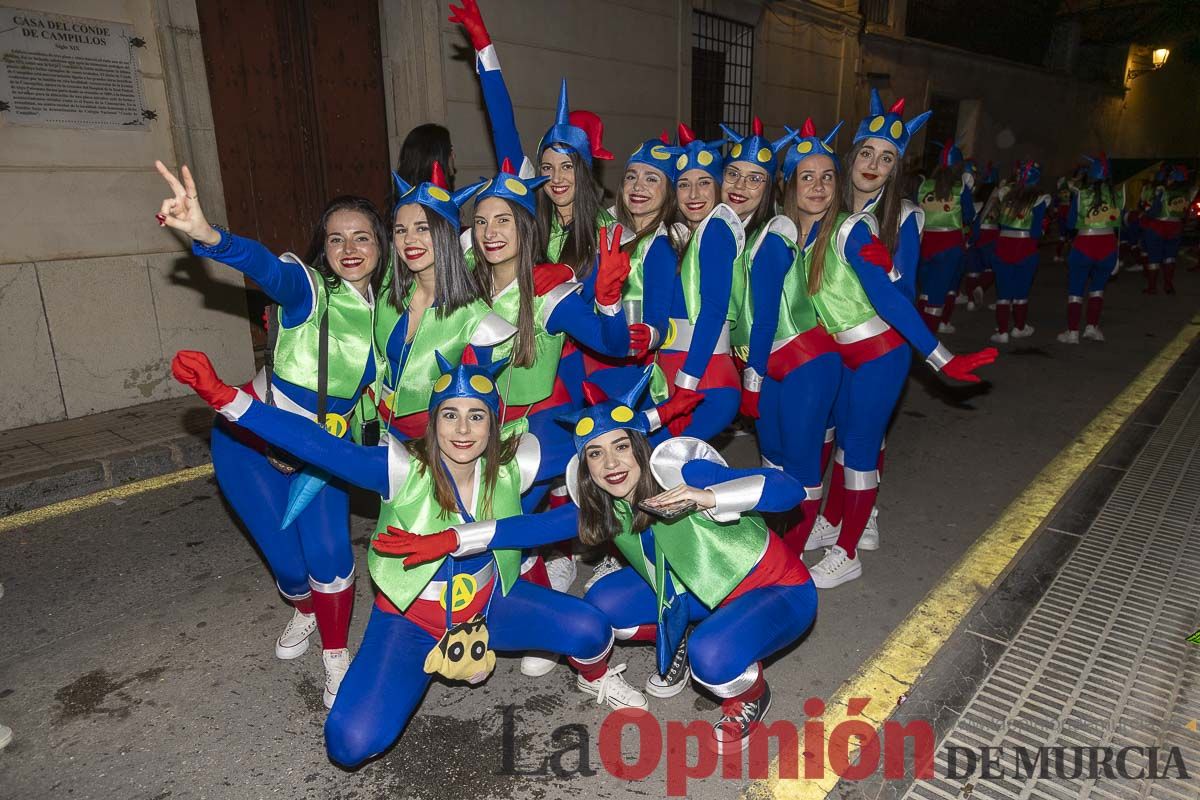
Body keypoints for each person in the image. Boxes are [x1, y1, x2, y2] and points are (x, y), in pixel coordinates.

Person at [171, 350, 650, 768]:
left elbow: (595, 437)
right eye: (451, 415)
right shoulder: (400, 469)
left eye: (477, 416)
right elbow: (318, 445)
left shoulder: (511, 466)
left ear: (493, 423)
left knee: (591, 631)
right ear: (434, 420)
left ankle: (597, 679)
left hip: (491, 605)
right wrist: (227, 399)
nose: (463, 429)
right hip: (411, 621)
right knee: (350, 743)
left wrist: (648, 422)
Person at [438, 369, 818, 753]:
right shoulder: (605, 505)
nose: (610, 464)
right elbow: (530, 528)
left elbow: (789, 491)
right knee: (604, 604)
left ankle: (749, 694)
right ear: (586, 467)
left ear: (639, 446)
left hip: (777, 590)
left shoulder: (684, 472)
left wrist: (710, 497)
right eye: (595, 454)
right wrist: (452, 537)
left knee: (712, 658)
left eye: (621, 447)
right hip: (698, 591)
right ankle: (683, 637)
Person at [154, 160, 383, 708]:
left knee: (329, 553)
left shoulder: (396, 310)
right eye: (336, 239)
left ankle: (334, 657)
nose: (349, 249)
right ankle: (302, 607)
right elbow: (265, 268)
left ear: (381, 245)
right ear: (321, 249)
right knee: (288, 566)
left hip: (321, 450)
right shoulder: (308, 289)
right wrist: (208, 235)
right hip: (248, 441)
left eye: (363, 238)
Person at [798, 109, 998, 587]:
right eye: (867, 152)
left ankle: (851, 542)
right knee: (842, 439)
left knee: (862, 444)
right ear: (850, 158)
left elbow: (901, 297)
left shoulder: (905, 215)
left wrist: (941, 357)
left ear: (896, 169)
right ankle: (837, 517)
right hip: (838, 350)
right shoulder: (826, 205)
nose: (873, 164)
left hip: (881, 349)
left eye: (886, 158)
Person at [740, 119, 843, 553]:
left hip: (804, 364)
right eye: (807, 177)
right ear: (788, 183)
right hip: (770, 365)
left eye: (826, 177)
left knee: (800, 466)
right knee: (773, 460)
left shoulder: (802, 231)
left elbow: (765, 317)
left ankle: (791, 558)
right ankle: (776, 545)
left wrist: (751, 380)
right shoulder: (764, 228)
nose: (817, 187)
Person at [375, 163, 517, 441]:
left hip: (436, 443)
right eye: (400, 230)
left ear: (445, 233)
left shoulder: (477, 320)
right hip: (375, 430)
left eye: (422, 228)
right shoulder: (385, 292)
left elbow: (486, 405)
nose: (409, 240)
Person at [717, 117, 797, 362]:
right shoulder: (718, 231)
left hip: (781, 363)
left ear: (769, 188)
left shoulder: (769, 239)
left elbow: (765, 322)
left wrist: (753, 385)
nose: (739, 185)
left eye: (754, 179)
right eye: (733, 174)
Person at [1056, 153, 1123, 344]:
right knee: (1098, 290)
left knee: (1076, 290)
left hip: (1085, 244)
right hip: (1108, 246)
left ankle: (1073, 332)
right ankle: (1092, 327)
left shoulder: (1081, 194)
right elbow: (1119, 224)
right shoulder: (1118, 195)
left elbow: (1070, 224)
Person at [915, 139, 974, 333]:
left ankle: (918, 332)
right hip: (950, 246)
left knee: (925, 291)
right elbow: (968, 215)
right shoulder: (960, 187)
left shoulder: (924, 185)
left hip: (925, 244)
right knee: (938, 294)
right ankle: (928, 342)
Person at [990, 161, 1051, 343]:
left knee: (1003, 291)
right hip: (1025, 248)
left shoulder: (1006, 194)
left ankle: (1002, 332)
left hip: (1003, 246)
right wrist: (1042, 230)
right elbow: (1035, 232)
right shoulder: (1039, 199)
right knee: (1021, 291)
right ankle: (1019, 327)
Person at [1141, 164, 1197, 295]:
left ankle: (1152, 287)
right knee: (1170, 258)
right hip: (1176, 228)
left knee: (1153, 258)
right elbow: (1186, 213)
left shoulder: (1163, 192)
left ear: (1172, 178)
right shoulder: (1187, 193)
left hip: (1158, 227)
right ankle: (1168, 285)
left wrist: (1145, 214)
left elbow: (1154, 211)